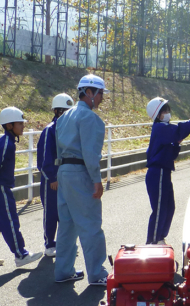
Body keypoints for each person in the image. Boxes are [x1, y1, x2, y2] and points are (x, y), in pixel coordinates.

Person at [54, 74, 109, 286]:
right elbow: (90, 153)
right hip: (80, 173)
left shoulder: (64, 117)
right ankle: (97, 273)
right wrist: (97, 179)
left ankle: (63, 271)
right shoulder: (90, 119)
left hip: (64, 172)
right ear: (89, 93)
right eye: (100, 93)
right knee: (90, 224)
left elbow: (58, 149)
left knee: (67, 226)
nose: (102, 97)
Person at [0, 107, 43, 268]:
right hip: (0, 189)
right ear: (10, 125)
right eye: (20, 123)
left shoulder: (6, 142)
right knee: (10, 221)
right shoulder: (6, 144)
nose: (23, 126)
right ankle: (21, 255)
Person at [145, 97, 190, 245]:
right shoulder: (160, 128)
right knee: (160, 209)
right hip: (158, 173)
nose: (168, 113)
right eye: (165, 110)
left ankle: (160, 238)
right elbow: (179, 130)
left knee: (169, 207)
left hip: (163, 172)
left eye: (168, 110)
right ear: (158, 114)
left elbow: (174, 150)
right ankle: (153, 241)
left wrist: (176, 142)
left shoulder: (164, 129)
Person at [36, 93, 74, 257]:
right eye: (64, 111)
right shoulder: (50, 130)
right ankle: (49, 244)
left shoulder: (69, 130)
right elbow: (44, 158)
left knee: (66, 212)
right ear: (57, 111)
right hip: (51, 180)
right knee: (51, 212)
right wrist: (51, 178)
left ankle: (64, 242)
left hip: (66, 178)